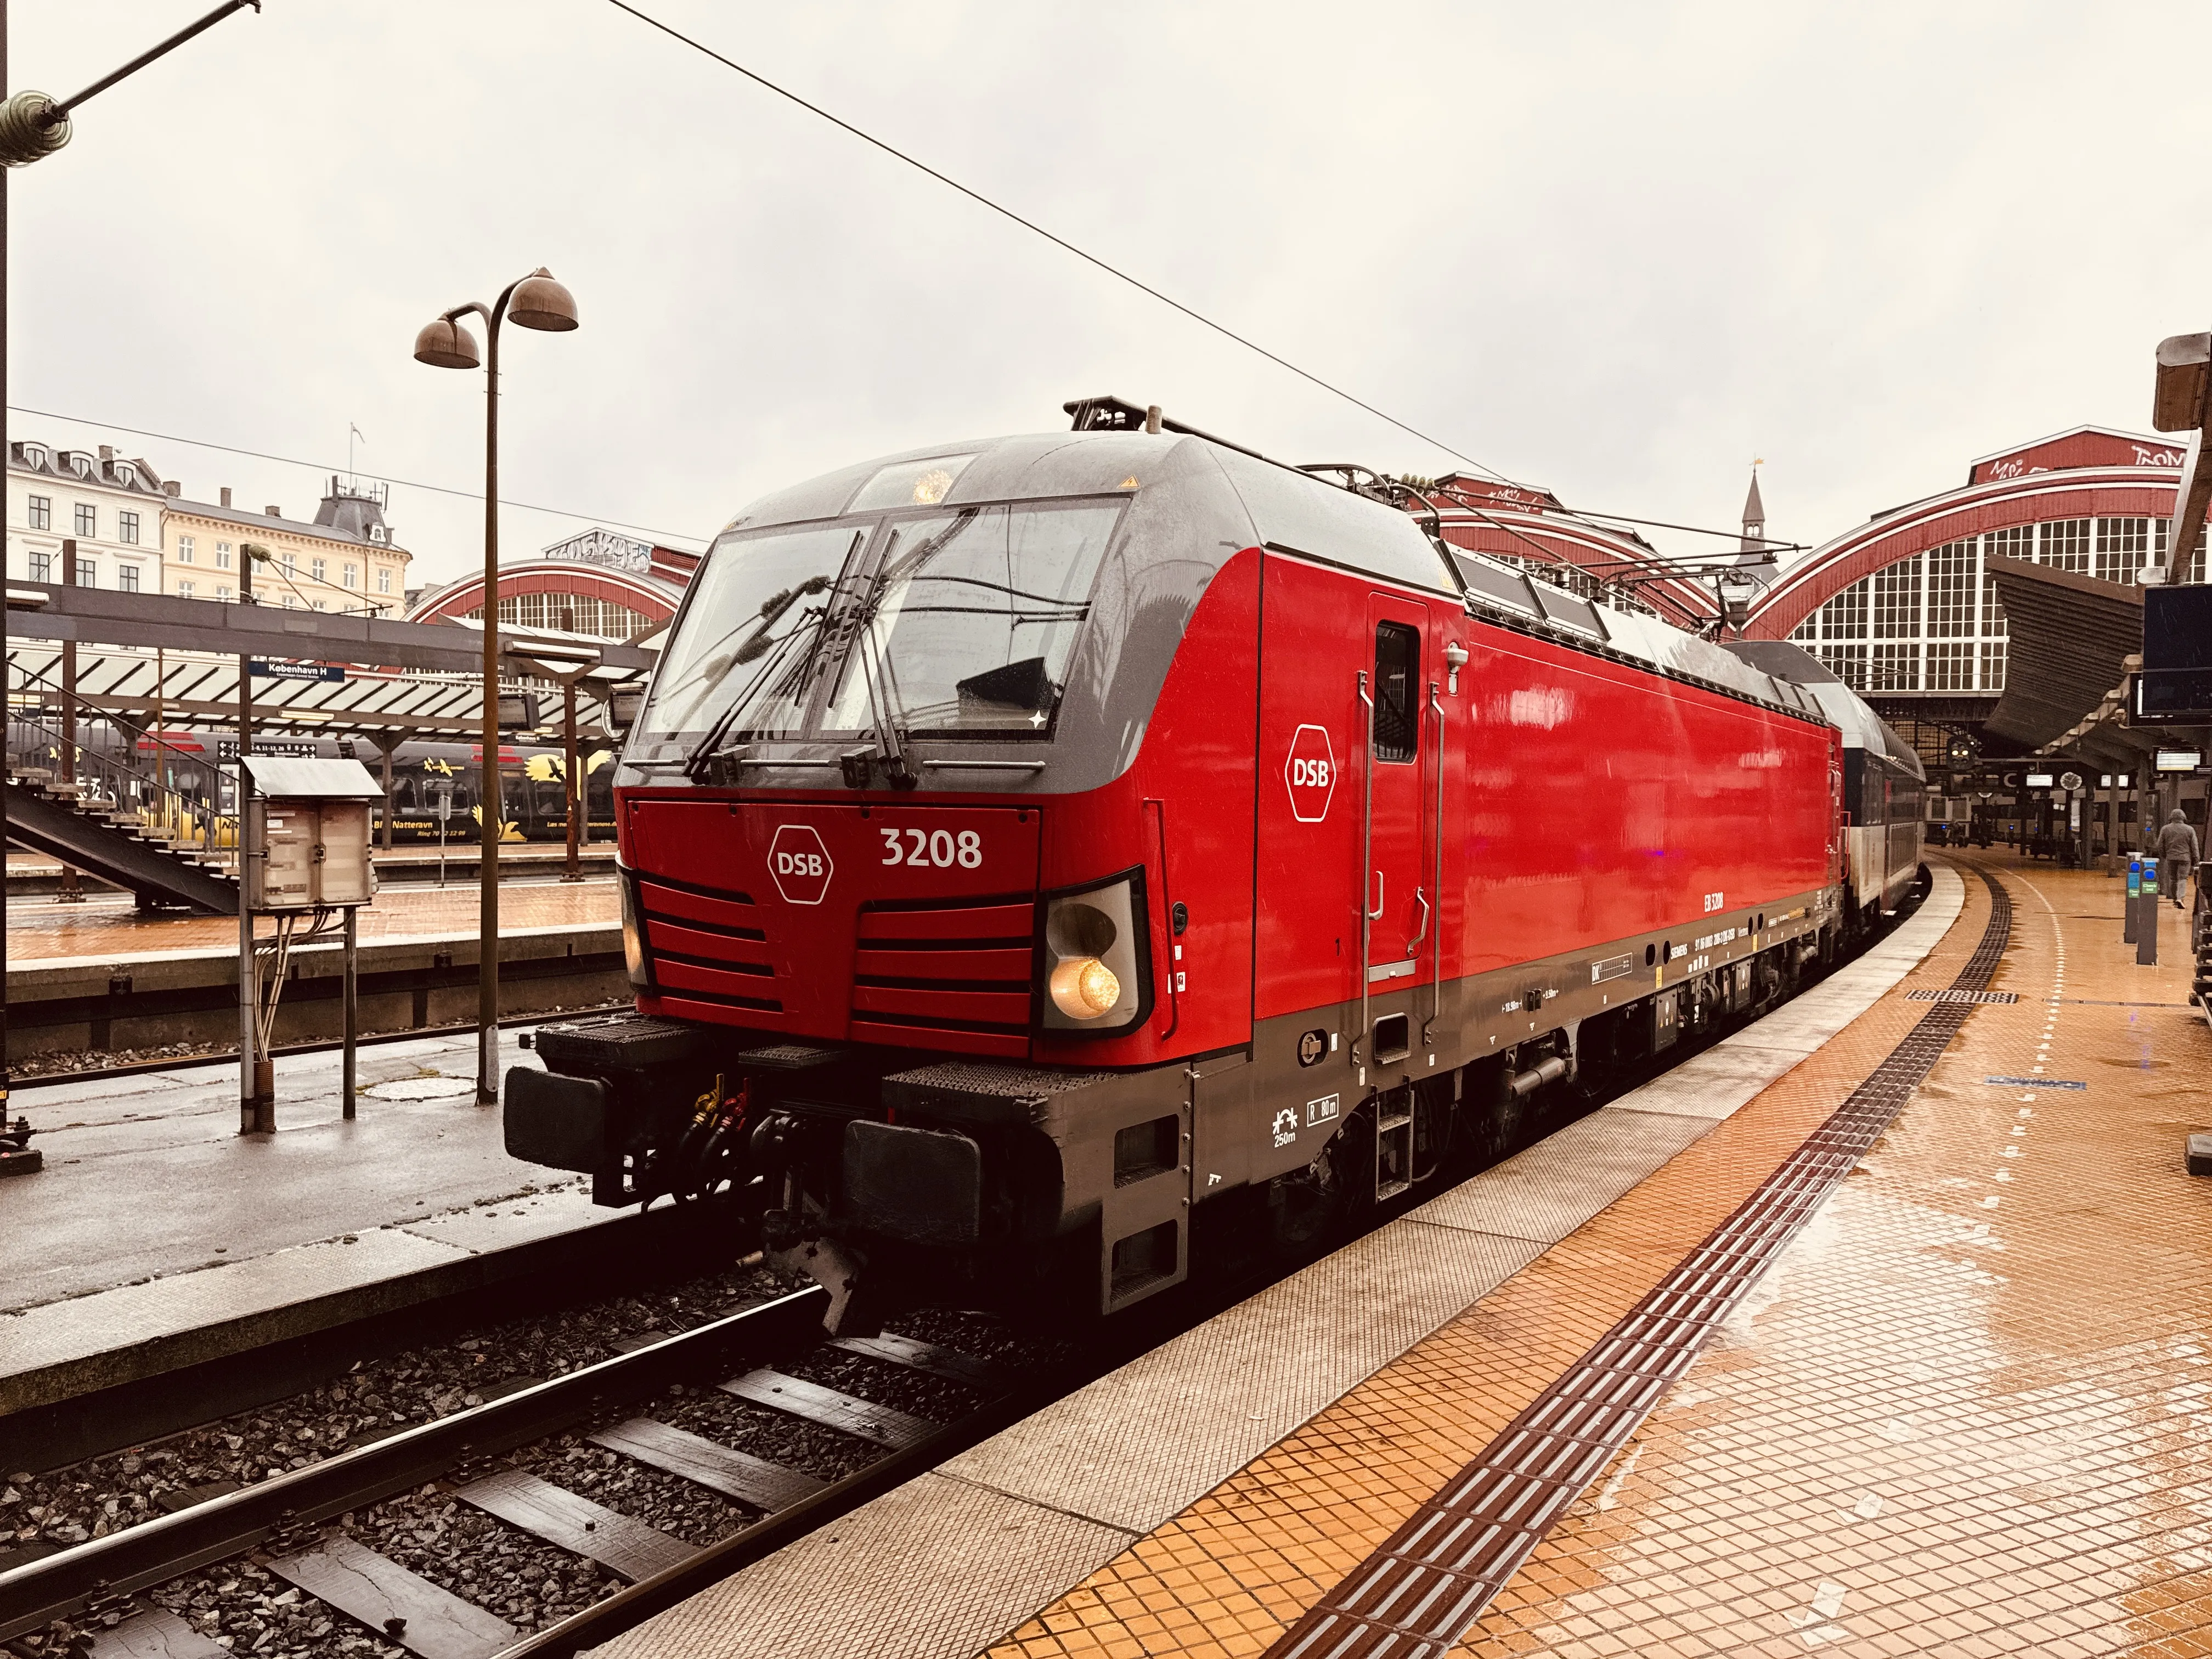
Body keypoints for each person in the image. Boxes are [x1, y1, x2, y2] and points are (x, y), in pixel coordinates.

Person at [2157, 808, 2201, 909]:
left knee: (2173, 879)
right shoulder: (2190, 829)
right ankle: (2180, 898)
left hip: (2171, 857)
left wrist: (2164, 855)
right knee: (2183, 878)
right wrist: (2197, 859)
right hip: (2185, 858)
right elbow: (2195, 846)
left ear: (2172, 817)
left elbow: (2160, 845)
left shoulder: (2165, 829)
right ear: (2183, 817)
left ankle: (2175, 899)